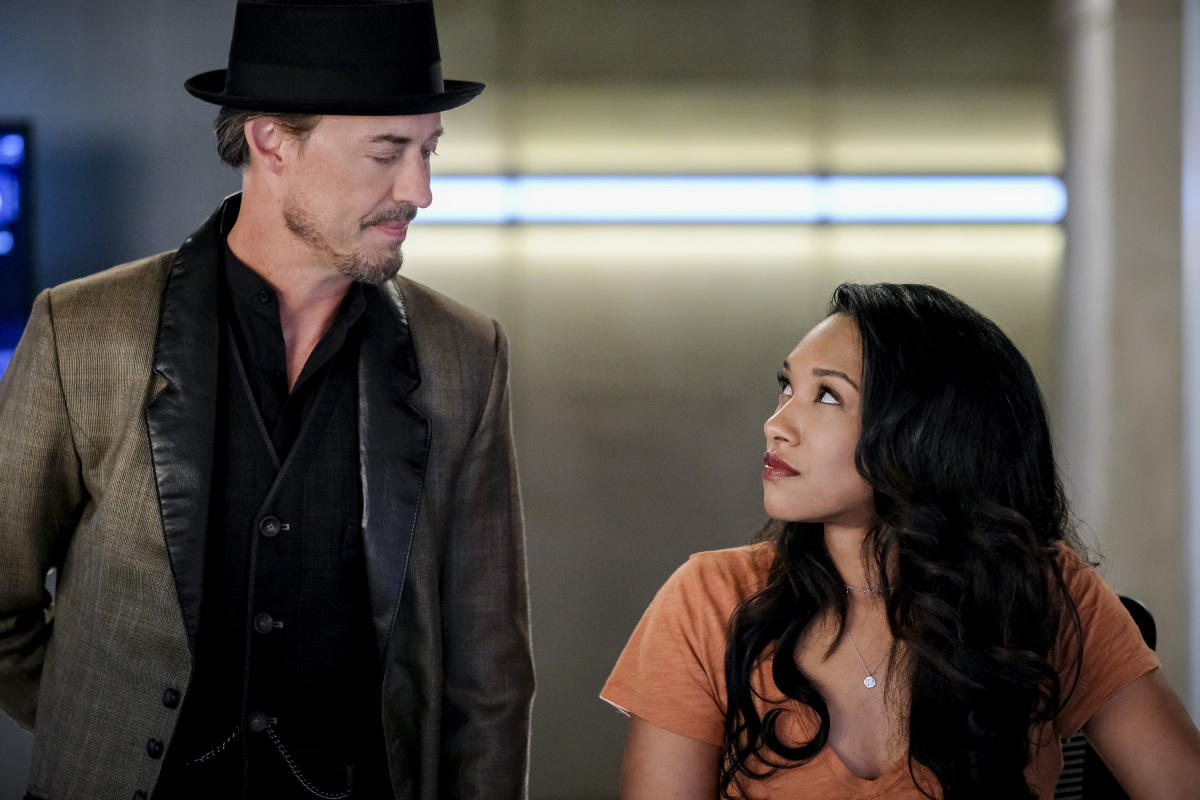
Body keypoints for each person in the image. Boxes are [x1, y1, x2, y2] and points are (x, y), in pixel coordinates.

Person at [0, 2, 534, 799]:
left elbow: (488, 674)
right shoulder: (82, 330)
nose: (420, 190)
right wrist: (100, 726)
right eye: (387, 152)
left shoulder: (464, 354)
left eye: (428, 150)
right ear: (271, 140)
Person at [601, 283, 1200, 799]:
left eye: (827, 395)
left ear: (925, 434)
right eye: (786, 387)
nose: (775, 424)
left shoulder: (1038, 587)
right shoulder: (709, 599)